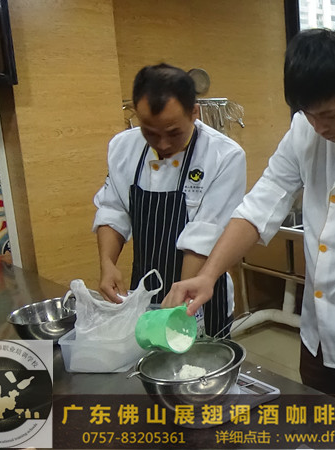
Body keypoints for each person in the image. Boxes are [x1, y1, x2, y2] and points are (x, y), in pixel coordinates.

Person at [163, 29, 335, 399]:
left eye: (329, 114)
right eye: (308, 114)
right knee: (317, 425)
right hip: (318, 339)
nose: (319, 127)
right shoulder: (306, 131)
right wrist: (209, 275)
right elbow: (260, 204)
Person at [93, 63, 245, 337]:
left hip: (200, 292)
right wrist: (108, 263)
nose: (162, 144)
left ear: (194, 112)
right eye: (150, 132)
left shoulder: (224, 156)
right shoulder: (122, 147)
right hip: (145, 288)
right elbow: (113, 210)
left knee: (199, 358)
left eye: (173, 132)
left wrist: (179, 304)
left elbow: (205, 234)